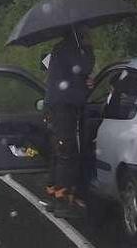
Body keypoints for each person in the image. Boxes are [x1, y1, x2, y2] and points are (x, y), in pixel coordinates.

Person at [43, 25, 95, 218]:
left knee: (59, 152)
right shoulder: (72, 49)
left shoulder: (61, 48)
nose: (91, 35)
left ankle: (53, 196)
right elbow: (85, 67)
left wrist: (85, 83)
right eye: (87, 33)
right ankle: (63, 202)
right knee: (67, 153)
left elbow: (75, 75)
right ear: (79, 33)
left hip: (56, 106)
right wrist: (88, 49)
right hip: (63, 108)